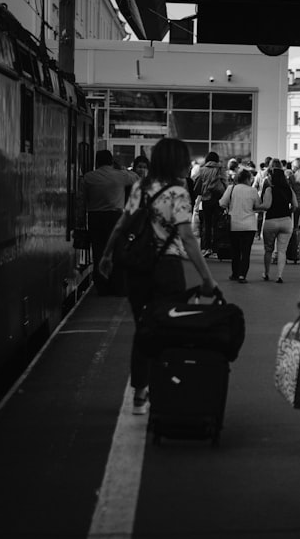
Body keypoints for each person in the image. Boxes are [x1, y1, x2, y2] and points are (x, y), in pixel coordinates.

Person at [99, 138, 217, 413]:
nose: (188, 164)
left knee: (144, 327)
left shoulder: (142, 186)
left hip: (137, 267)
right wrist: (207, 277)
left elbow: (122, 223)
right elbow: (187, 238)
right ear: (176, 161)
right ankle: (164, 388)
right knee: (167, 327)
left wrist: (106, 255)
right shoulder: (178, 191)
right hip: (167, 267)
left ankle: (140, 393)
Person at [82, 150, 138, 295]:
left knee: (99, 252)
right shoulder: (121, 175)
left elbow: (82, 199)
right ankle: (117, 286)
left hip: (95, 218)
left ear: (97, 162)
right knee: (117, 251)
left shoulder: (88, 177)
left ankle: (102, 286)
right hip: (115, 217)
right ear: (111, 161)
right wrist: (121, 168)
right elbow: (136, 178)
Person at [219, 168, 263, 283]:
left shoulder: (231, 188)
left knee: (235, 251)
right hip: (249, 226)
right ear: (248, 179)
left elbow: (222, 203)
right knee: (246, 251)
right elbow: (258, 206)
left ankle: (235, 273)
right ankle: (242, 275)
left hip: (234, 224)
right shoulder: (253, 191)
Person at [259, 159, 298, 283]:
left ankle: (266, 273)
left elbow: (266, 205)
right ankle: (279, 275)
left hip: (271, 221)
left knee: (268, 249)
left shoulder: (270, 189)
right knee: (282, 250)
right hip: (286, 221)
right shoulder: (288, 189)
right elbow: (295, 205)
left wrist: (255, 208)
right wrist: (289, 212)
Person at [192, 151, 225, 256]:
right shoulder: (220, 170)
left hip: (206, 200)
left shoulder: (202, 170)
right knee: (216, 225)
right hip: (218, 200)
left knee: (206, 224)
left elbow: (197, 186)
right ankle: (215, 249)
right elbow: (225, 184)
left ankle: (205, 248)